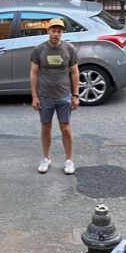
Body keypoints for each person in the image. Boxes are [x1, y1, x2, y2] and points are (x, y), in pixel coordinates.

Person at [30, 17, 80, 174]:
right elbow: (33, 73)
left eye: (59, 31)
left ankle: (69, 160)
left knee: (65, 127)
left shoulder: (69, 49)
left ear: (62, 33)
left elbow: (75, 72)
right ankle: (46, 158)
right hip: (45, 96)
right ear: (48, 31)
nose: (56, 34)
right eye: (53, 31)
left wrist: (76, 95)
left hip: (64, 95)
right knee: (45, 127)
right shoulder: (39, 50)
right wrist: (34, 96)